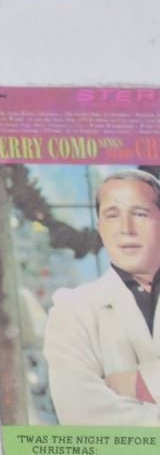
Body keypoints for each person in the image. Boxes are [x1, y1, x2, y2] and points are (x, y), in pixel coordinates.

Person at [45, 170, 160, 425]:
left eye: (140, 214)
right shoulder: (72, 310)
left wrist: (138, 383)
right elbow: (82, 415)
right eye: (112, 215)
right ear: (100, 228)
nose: (126, 229)